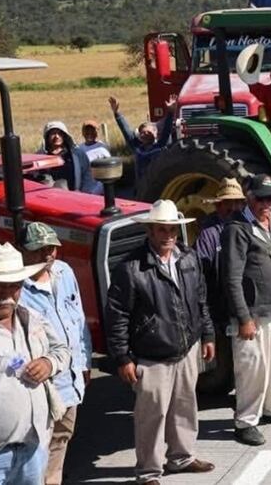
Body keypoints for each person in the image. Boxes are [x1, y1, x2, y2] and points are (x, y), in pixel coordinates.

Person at [105, 200, 216, 484]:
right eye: (161, 230)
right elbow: (117, 315)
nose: (168, 236)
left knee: (185, 406)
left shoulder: (189, 259)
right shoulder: (130, 268)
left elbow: (200, 300)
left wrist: (207, 334)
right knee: (151, 416)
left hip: (186, 348)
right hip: (151, 355)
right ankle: (148, 472)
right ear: (150, 232)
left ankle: (182, 457)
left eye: (172, 230)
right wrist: (122, 357)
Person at [222, 174, 271, 446]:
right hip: (253, 315)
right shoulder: (237, 229)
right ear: (249, 198)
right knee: (252, 369)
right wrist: (243, 318)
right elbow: (231, 278)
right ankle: (246, 421)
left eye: (270, 198)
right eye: (261, 198)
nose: (266, 203)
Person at [0, 242, 71, 485]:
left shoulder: (30, 319)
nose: (6, 295)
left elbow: (62, 350)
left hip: (33, 449)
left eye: (14, 286)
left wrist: (49, 363)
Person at [18, 223, 92, 485]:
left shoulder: (64, 272)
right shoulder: (17, 289)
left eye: (51, 248)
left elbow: (79, 319)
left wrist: (84, 361)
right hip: (41, 384)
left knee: (61, 442)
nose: (47, 254)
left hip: (69, 381)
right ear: (24, 252)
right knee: (35, 451)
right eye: (39, 250)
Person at [194, 177, 246, 386]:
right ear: (218, 204)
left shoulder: (245, 227)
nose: (233, 207)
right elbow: (203, 270)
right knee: (224, 352)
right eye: (228, 202)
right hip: (220, 303)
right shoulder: (209, 234)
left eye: (237, 202)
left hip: (242, 301)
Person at [109, 94, 178, 181]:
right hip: (142, 189)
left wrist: (171, 112)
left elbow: (166, 131)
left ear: (156, 134)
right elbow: (126, 131)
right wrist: (116, 113)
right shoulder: (137, 148)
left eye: (148, 132)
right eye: (142, 132)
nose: (145, 134)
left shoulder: (161, 146)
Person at [37, 121, 98, 194]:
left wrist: (84, 194)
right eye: (53, 133)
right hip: (49, 198)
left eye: (59, 133)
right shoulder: (39, 157)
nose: (57, 136)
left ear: (64, 135)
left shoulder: (77, 154)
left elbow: (88, 176)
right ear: (47, 137)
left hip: (75, 196)